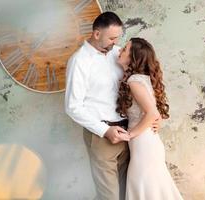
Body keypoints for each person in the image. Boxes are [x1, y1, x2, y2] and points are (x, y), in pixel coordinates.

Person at [65, 12, 159, 200]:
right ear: (97, 34)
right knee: (109, 196)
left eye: (118, 37)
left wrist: (155, 117)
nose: (116, 42)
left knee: (127, 192)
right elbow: (72, 106)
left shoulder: (120, 54)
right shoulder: (79, 61)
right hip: (102, 136)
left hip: (130, 132)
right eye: (112, 38)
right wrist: (105, 130)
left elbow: (146, 82)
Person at [116, 37, 183, 200]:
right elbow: (154, 112)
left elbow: (152, 113)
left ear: (133, 58)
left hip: (143, 145)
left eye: (124, 49)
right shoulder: (140, 79)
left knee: (146, 188)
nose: (119, 50)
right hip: (148, 143)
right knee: (152, 189)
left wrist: (130, 134)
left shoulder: (134, 81)